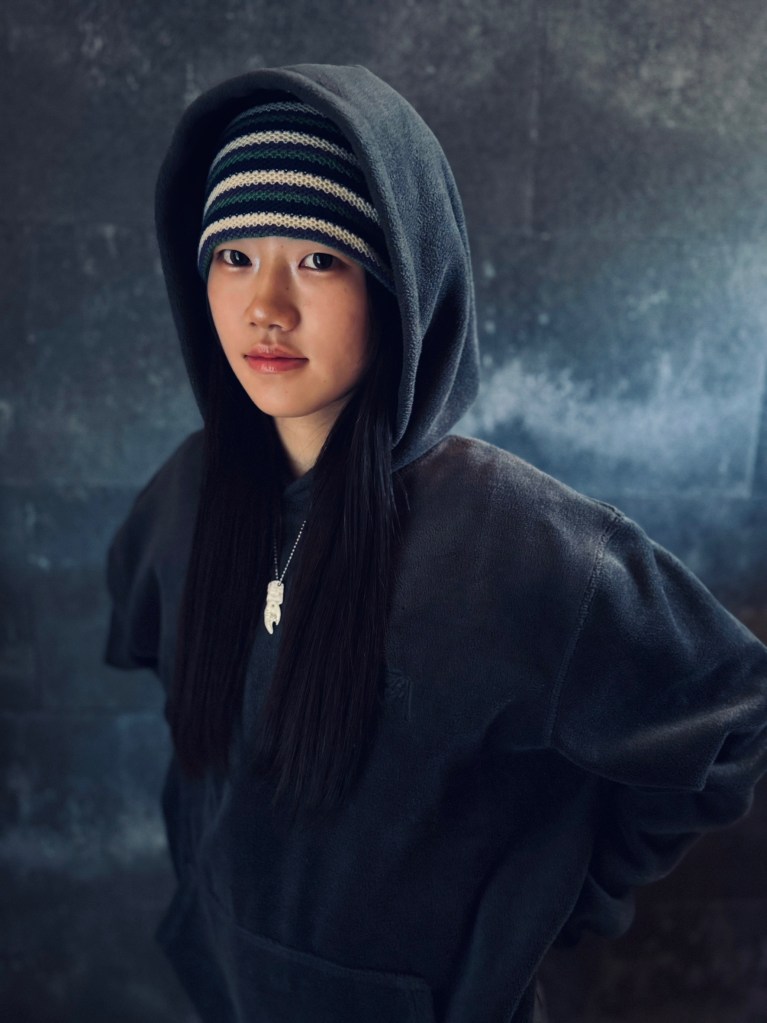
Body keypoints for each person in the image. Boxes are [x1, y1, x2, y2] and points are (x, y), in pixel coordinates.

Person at [103, 63, 767, 1023]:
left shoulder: (517, 542)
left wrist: (552, 897)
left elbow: (730, 713)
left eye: (319, 260)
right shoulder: (188, 491)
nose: (266, 307)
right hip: (227, 987)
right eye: (235, 255)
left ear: (399, 283)